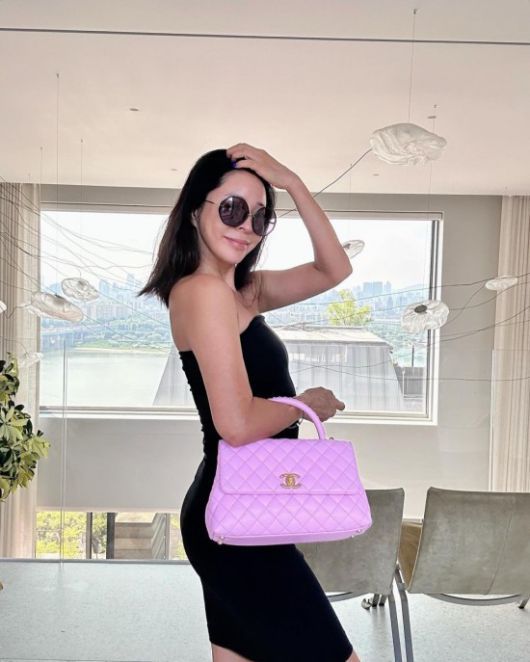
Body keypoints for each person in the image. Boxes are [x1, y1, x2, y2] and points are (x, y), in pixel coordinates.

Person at [139, 143, 360, 662]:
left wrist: (292, 182)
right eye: (232, 208)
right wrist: (306, 403)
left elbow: (334, 269)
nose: (246, 227)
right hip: (238, 520)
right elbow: (236, 425)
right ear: (195, 209)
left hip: (242, 506)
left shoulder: (243, 290)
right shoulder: (202, 292)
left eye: (260, 217)